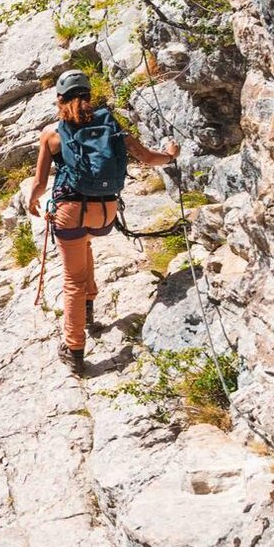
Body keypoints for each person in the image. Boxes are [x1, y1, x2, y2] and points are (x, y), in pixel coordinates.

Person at [26, 69, 179, 374]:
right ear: (88, 95)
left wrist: (31, 201)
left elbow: (41, 183)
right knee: (86, 247)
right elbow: (148, 158)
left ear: (59, 99)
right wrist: (171, 155)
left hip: (71, 212)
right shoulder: (109, 123)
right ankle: (89, 307)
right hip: (106, 211)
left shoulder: (52, 133)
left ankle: (74, 347)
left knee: (72, 279)